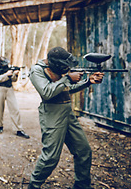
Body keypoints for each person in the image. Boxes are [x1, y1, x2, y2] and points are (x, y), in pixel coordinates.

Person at [28, 47, 104, 189]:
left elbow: (68, 89)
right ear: (55, 63)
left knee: (83, 150)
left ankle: (82, 185)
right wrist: (68, 77)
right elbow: (46, 92)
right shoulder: (37, 70)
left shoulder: (60, 72)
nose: (67, 68)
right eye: (64, 66)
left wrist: (88, 81)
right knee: (50, 157)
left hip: (67, 112)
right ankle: (33, 186)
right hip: (52, 114)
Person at [0, 56, 30, 138]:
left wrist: (15, 75)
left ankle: (18, 129)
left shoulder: (10, 68)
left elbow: (14, 80)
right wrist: (7, 75)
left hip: (10, 89)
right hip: (0, 89)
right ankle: (0, 126)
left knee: (15, 109)